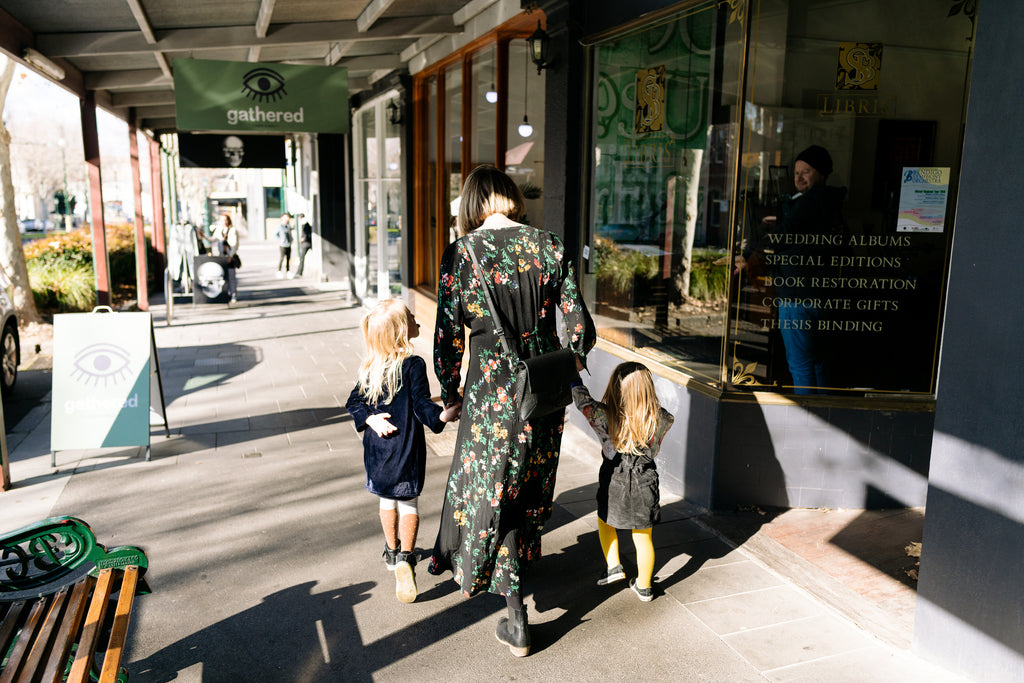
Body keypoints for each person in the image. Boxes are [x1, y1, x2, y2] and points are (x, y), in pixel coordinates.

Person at [428, 165, 596, 657]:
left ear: (472, 205)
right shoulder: (550, 245)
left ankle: (517, 617)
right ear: (511, 199)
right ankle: (518, 576)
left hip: (489, 398)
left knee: (493, 492)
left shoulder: (462, 254)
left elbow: (446, 338)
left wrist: (450, 391)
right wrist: (569, 371)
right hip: (542, 395)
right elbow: (582, 329)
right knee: (527, 487)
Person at [345, 299, 461, 604]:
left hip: (377, 452)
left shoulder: (370, 366)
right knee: (408, 503)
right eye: (410, 316)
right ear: (401, 331)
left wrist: (369, 418)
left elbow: (353, 403)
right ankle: (406, 559)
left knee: (387, 500)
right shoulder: (413, 365)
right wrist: (442, 417)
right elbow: (423, 406)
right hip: (406, 449)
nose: (415, 317)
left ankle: (391, 550)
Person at [734, 144, 847, 394]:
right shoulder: (829, 202)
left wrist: (750, 256)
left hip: (797, 296)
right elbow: (795, 231)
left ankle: (807, 420)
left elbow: (784, 234)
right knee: (818, 362)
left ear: (822, 173)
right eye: (796, 172)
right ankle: (826, 414)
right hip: (820, 296)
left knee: (801, 365)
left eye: (806, 171)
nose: (799, 177)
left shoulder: (810, 201)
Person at [570, 362, 674, 602]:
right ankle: (645, 587)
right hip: (645, 477)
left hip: (613, 475)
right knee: (642, 535)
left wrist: (573, 374)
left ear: (616, 389)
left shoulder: (602, 416)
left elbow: (581, 400)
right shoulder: (660, 418)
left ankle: (614, 565)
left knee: (605, 520)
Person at [210, 214, 239, 303]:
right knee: (222, 276)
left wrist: (230, 256)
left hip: (229, 256)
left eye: (225, 220)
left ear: (228, 220)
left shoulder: (233, 230)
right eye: (222, 220)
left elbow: (235, 245)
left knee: (231, 276)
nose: (224, 222)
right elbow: (213, 239)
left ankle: (233, 294)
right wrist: (203, 236)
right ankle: (225, 294)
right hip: (221, 256)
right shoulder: (219, 230)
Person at [275, 213, 293, 278]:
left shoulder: (288, 226)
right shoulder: (280, 226)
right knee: (282, 258)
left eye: (288, 217)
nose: (287, 219)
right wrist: (280, 241)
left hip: (288, 244)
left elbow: (290, 234)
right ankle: (279, 271)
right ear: (282, 218)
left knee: (288, 258)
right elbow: (275, 235)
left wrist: (291, 240)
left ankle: (288, 271)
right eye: (285, 217)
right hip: (283, 245)